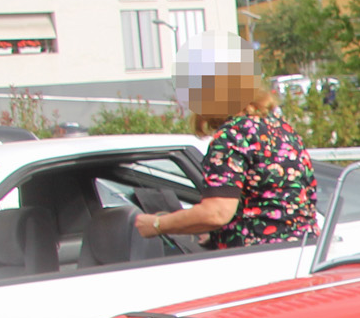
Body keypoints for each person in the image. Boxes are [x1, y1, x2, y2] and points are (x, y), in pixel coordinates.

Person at [134, 33, 317, 250]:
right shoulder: (280, 129)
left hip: (256, 260)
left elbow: (217, 212)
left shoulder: (233, 136)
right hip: (302, 252)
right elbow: (271, 204)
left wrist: (157, 224)